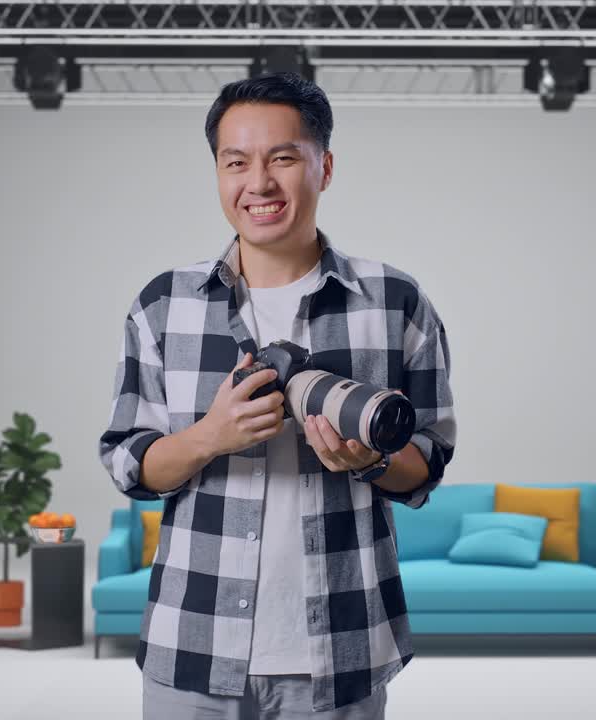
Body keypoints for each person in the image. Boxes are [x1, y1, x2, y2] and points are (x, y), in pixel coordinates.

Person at [99, 71, 457, 719]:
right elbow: (129, 464)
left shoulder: (396, 302)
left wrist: (370, 460)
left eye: (283, 158)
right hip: (193, 646)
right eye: (235, 162)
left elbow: (426, 465)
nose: (257, 183)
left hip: (341, 652)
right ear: (217, 172)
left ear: (324, 166)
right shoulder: (163, 305)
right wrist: (212, 435)